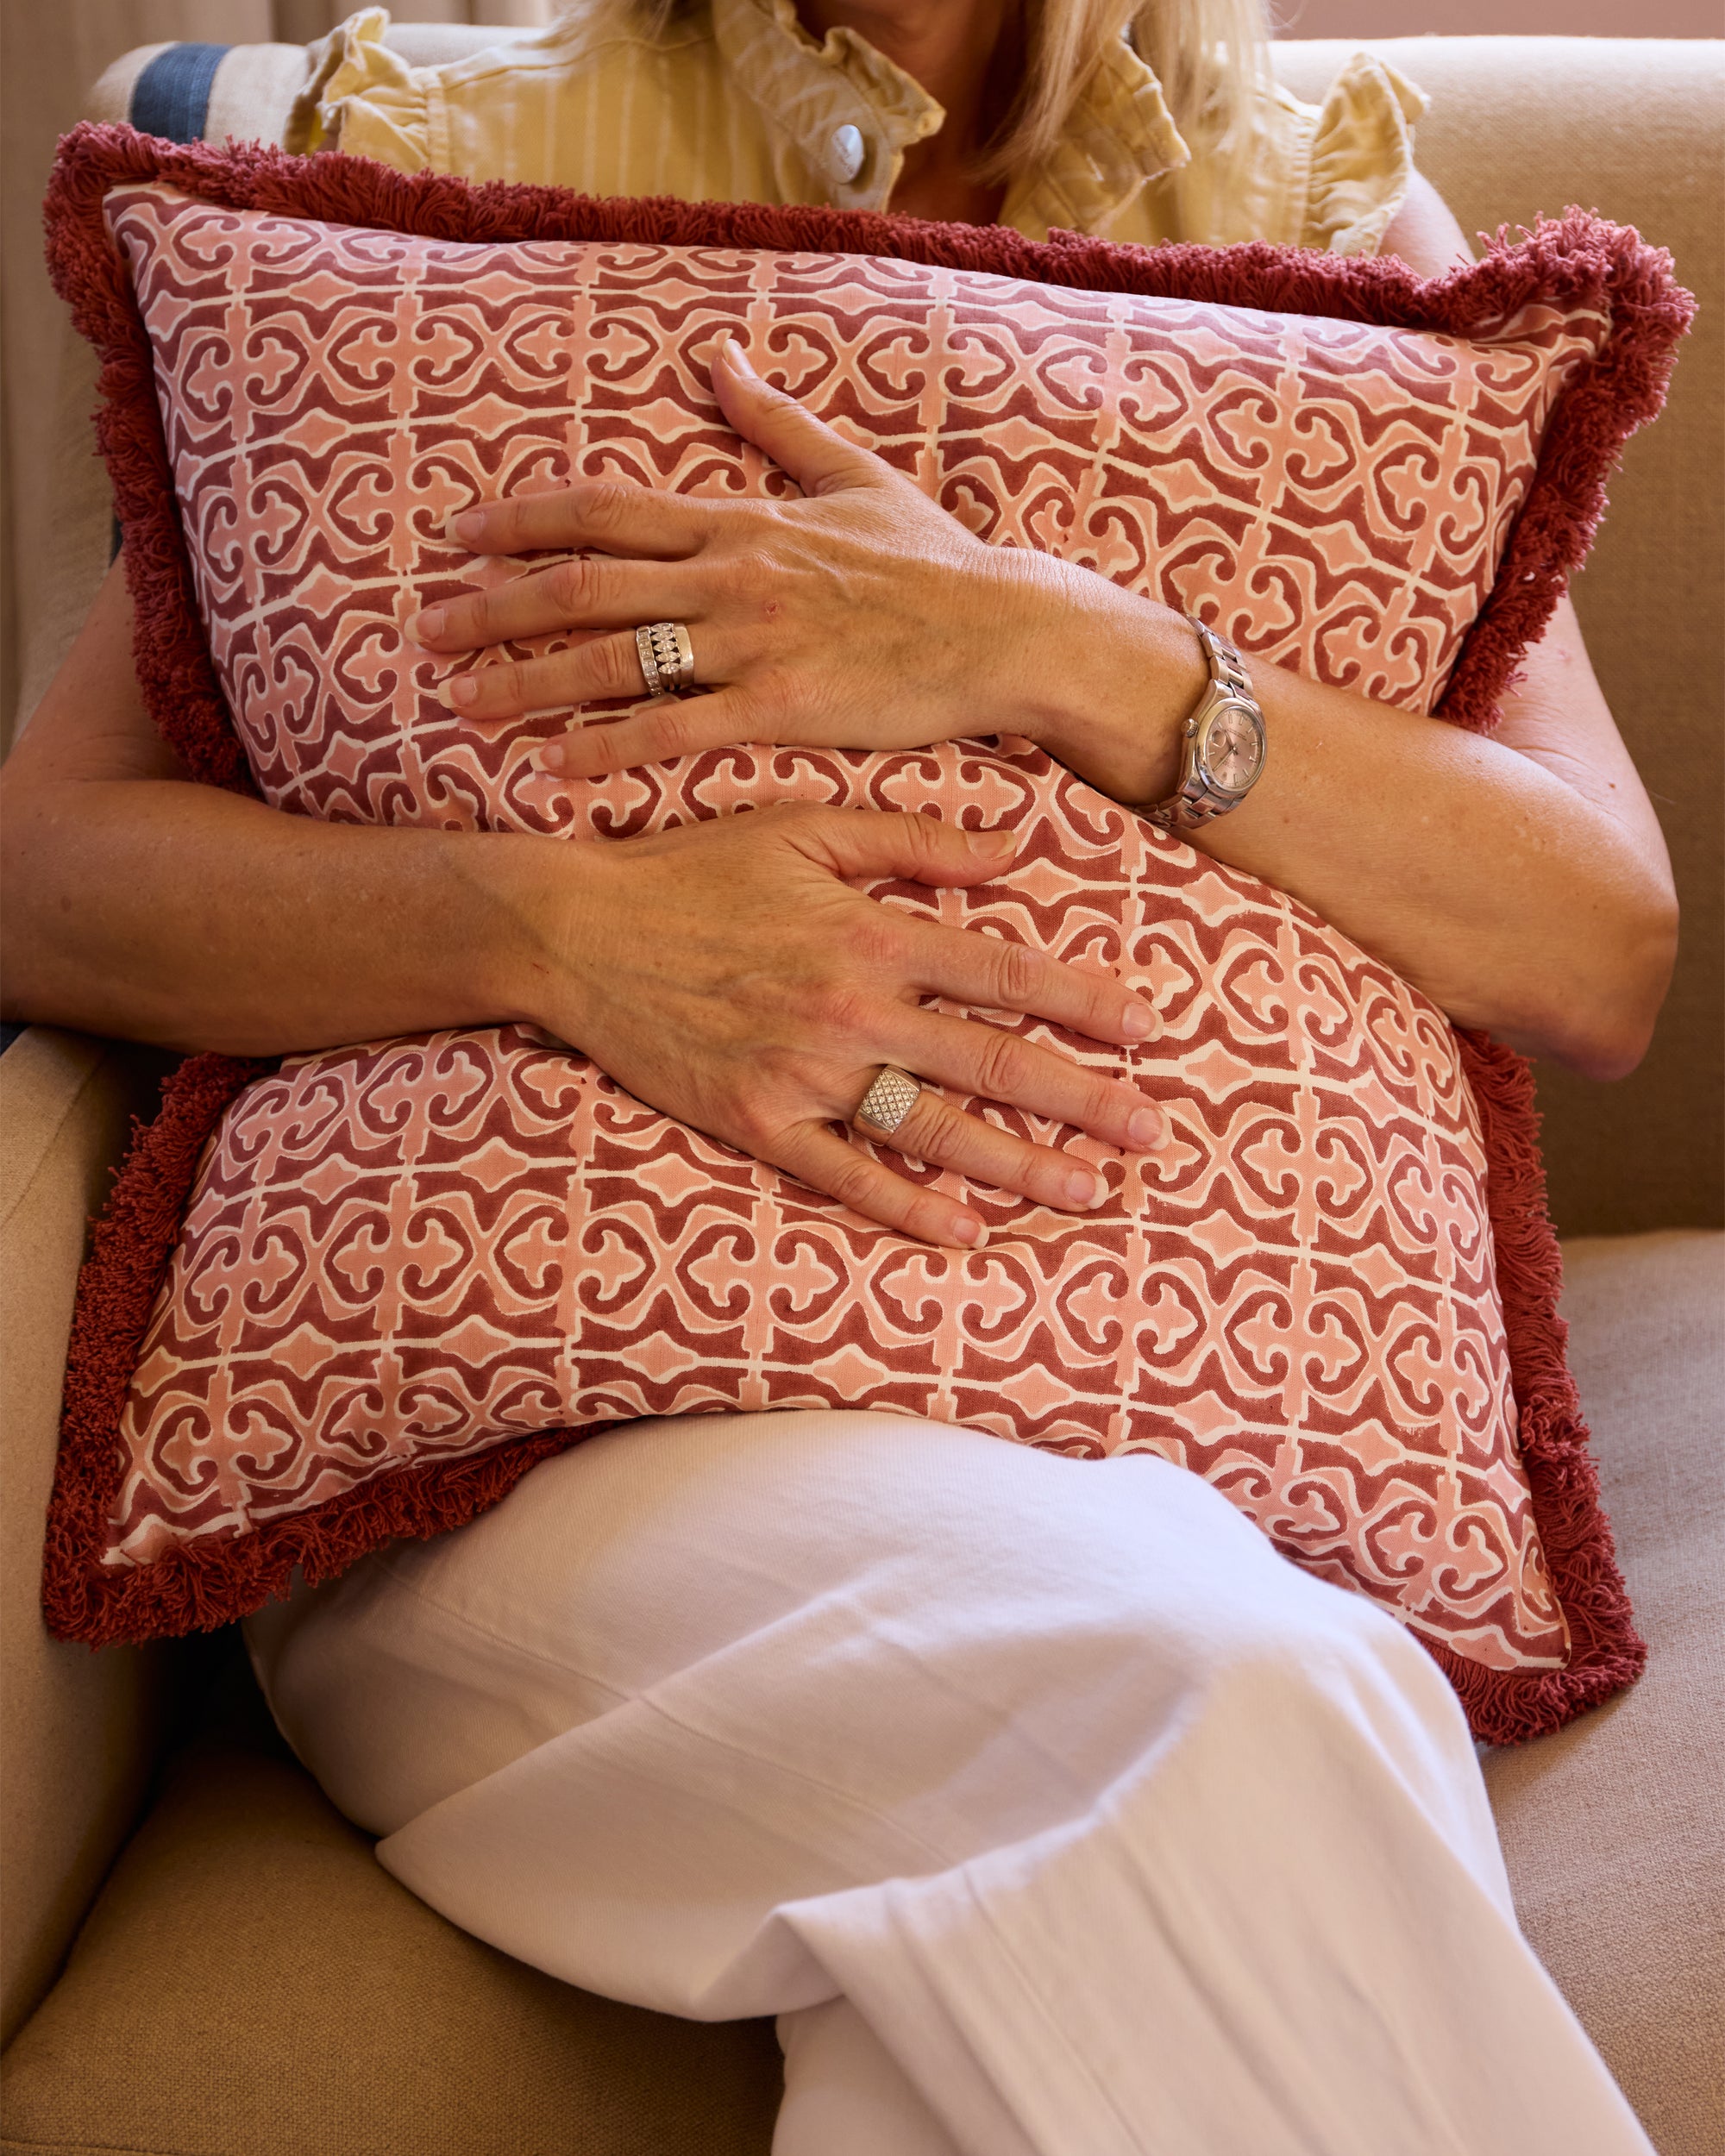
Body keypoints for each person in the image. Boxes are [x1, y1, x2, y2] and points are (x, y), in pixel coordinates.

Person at [0, 3, 1676, 2150]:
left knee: (1070, 1910)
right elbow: (46, 875)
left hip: (1169, 1432)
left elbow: (1588, 941)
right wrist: (560, 933)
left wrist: (1044, 641)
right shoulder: (422, 144)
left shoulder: (1307, 198)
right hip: (550, 1446)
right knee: (1223, 1691)